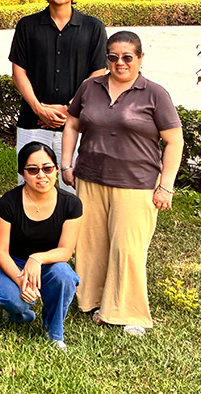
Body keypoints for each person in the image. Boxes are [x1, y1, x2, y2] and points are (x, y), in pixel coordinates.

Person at [62, 30, 183, 336]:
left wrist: (165, 185)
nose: (120, 63)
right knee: (90, 245)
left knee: (128, 248)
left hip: (137, 183)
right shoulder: (91, 86)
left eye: (128, 57)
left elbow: (174, 141)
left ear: (140, 59)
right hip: (89, 178)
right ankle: (92, 301)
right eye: (113, 57)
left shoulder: (154, 93)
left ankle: (130, 312)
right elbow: (72, 123)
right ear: (107, 58)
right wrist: (67, 164)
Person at [9, 0, 107, 193]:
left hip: (76, 124)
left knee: (74, 190)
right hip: (32, 123)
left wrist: (69, 109)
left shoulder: (93, 27)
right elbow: (18, 71)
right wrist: (38, 108)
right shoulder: (27, 26)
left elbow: (98, 73)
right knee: (30, 187)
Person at [0, 142, 82, 350]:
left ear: (57, 170)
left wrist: (37, 258)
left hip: (47, 263)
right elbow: (0, 251)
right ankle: (18, 313)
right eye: (33, 170)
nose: (42, 175)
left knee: (64, 275)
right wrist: (22, 280)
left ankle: (52, 329)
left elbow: (66, 251)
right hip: (10, 260)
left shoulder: (71, 204)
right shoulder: (8, 202)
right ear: (23, 173)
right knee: (14, 300)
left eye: (47, 168)